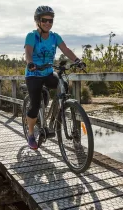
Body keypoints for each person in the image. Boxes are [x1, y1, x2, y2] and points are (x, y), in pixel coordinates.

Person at [24, 6, 86, 150]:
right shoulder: (32, 36)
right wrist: (30, 63)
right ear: (38, 21)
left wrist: (77, 60)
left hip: (47, 73)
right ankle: (31, 133)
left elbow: (66, 50)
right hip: (33, 74)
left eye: (50, 20)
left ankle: (59, 110)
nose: (48, 23)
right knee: (34, 104)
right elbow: (28, 52)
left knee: (61, 83)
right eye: (44, 20)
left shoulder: (55, 37)